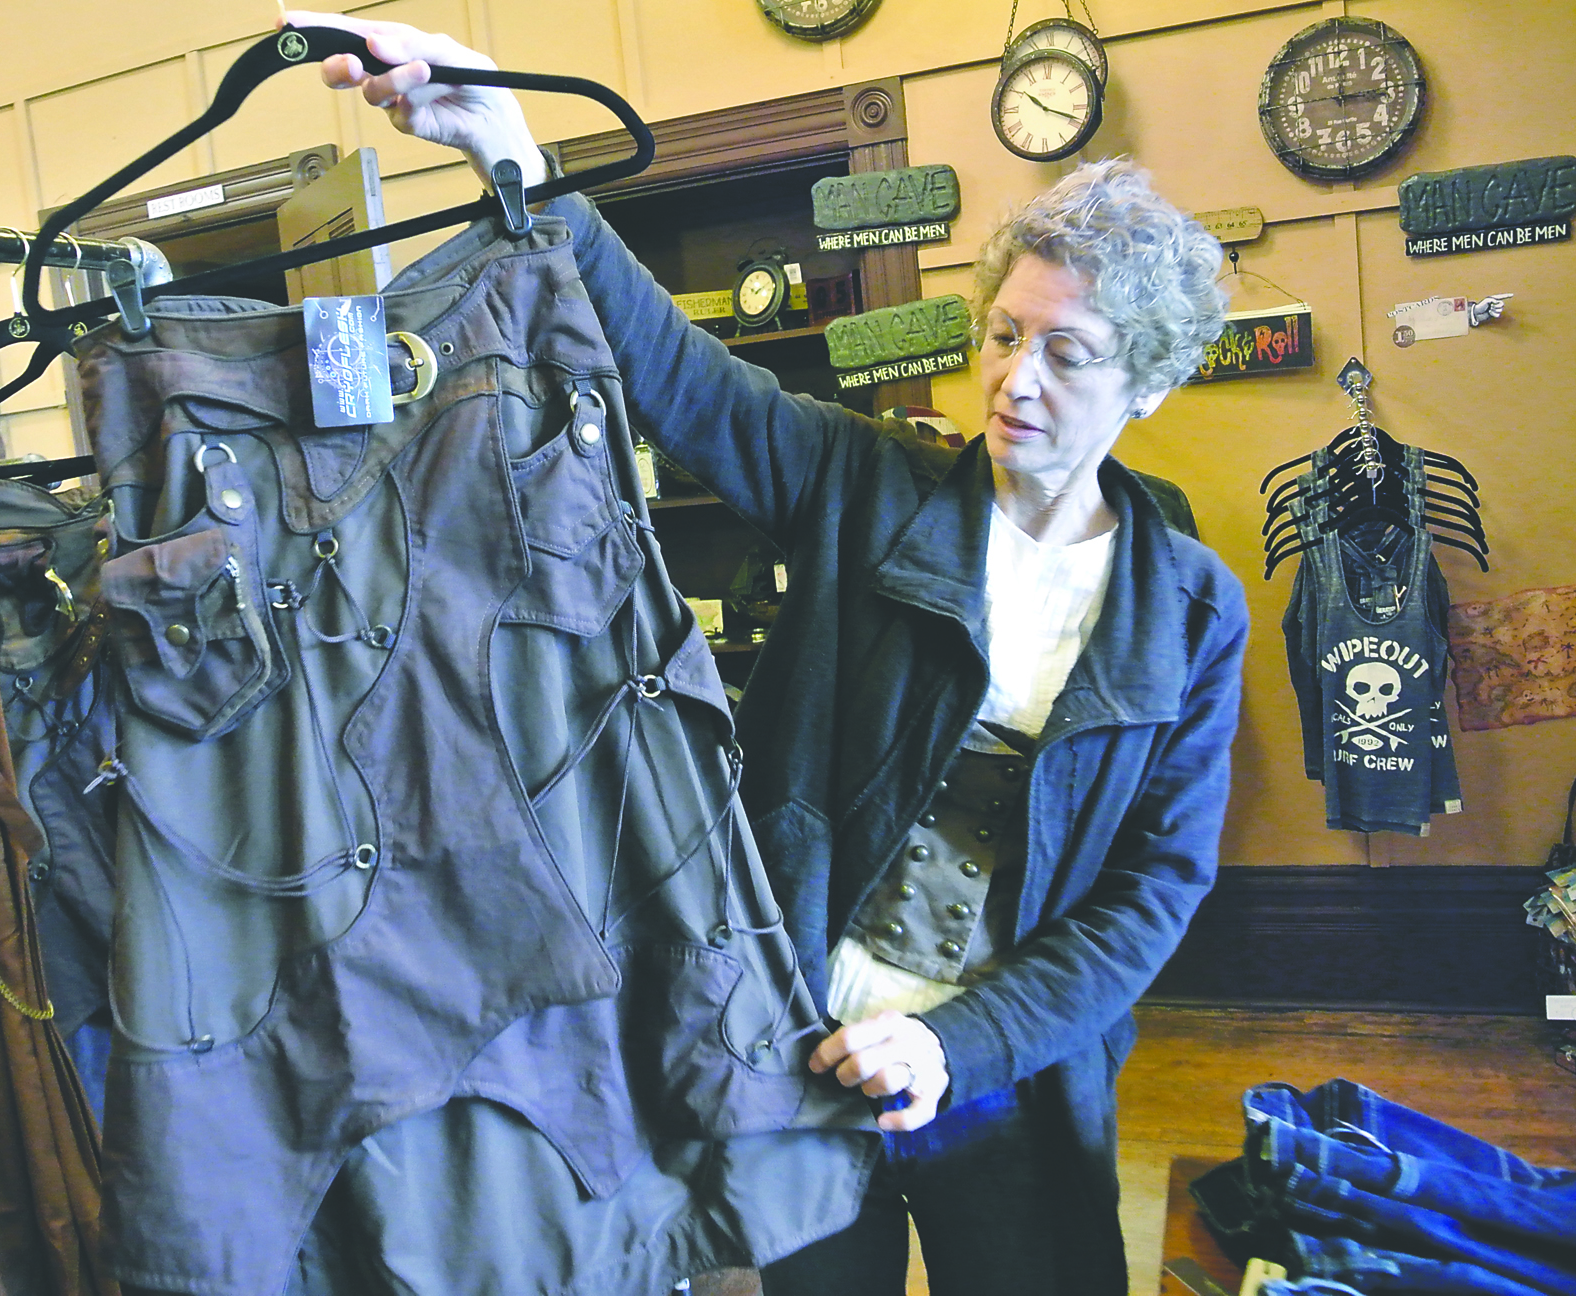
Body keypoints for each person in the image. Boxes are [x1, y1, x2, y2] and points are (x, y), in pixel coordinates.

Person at [302, 14, 1248, 1293]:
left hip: (1011, 1076)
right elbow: (681, 380)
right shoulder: (865, 483)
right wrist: (509, 147)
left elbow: (1152, 890)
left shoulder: (1189, 609)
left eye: (1065, 352)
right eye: (1005, 335)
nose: (1016, 379)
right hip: (799, 1050)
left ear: (1149, 385)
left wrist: (955, 1045)